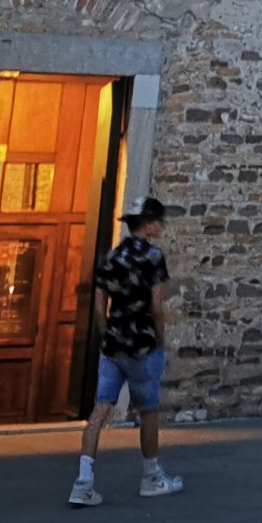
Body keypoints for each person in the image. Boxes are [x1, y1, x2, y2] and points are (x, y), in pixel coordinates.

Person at [69, 197, 184, 507]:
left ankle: (83, 481)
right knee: (148, 411)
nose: (161, 226)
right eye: (159, 221)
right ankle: (152, 476)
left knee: (98, 412)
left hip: (114, 345)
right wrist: (160, 339)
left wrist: (107, 335)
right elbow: (156, 304)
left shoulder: (110, 257)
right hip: (142, 344)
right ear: (148, 224)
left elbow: (98, 306)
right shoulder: (153, 256)